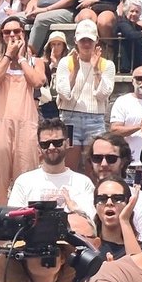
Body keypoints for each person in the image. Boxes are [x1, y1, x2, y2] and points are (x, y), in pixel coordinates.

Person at [0, 15, 45, 204]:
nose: (12, 35)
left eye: (16, 31)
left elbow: (37, 81)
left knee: (26, 176)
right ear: (1, 36)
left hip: (26, 124)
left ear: (23, 34)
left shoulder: (36, 62)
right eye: (7, 32)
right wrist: (9, 56)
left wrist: (21, 59)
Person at [54, 19, 116, 174]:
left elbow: (102, 95)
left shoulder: (106, 65)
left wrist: (96, 71)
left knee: (95, 170)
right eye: (83, 40)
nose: (86, 44)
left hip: (95, 119)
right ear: (76, 41)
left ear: (96, 41)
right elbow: (64, 94)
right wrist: (74, 71)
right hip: (70, 118)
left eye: (90, 40)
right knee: (69, 168)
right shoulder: (66, 62)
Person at [92, 176, 140, 260]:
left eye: (117, 198)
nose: (109, 203)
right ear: (95, 205)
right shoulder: (90, 247)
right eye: (102, 199)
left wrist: (124, 220)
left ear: (128, 204)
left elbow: (137, 270)